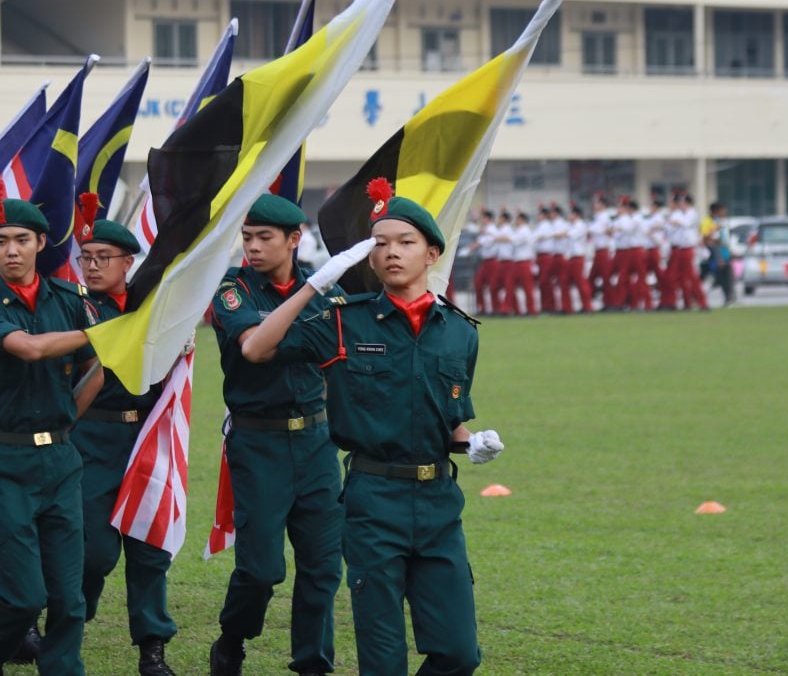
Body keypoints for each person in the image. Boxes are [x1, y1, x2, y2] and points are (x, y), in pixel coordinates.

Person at [242, 181, 504, 676]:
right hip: (372, 501)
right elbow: (256, 349)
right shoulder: (343, 321)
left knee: (458, 654)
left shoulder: (460, 333)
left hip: (439, 505)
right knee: (383, 661)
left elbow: (450, 418)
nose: (390, 253)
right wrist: (314, 286)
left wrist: (471, 443)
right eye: (379, 244)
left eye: (404, 242)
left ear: (431, 253)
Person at [0, 193, 103, 676]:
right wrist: (109, 332)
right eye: (0, 241)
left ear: (42, 242)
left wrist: (66, 420)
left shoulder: (70, 300)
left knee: (67, 595)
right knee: (24, 596)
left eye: (22, 240)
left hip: (60, 460)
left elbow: (96, 369)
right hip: (5, 462)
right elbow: (29, 348)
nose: (11, 250)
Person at [208, 194, 343, 676]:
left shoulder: (325, 291)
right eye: (247, 237)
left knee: (323, 567)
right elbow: (255, 347)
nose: (253, 247)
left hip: (315, 442)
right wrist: (307, 302)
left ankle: (313, 663)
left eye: (265, 237)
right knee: (261, 570)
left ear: (294, 239)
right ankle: (232, 638)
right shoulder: (233, 290)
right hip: (258, 443)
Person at [70, 219, 178, 676]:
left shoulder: (153, 307)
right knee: (93, 552)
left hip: (146, 435)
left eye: (103, 258)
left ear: (128, 263)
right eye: (86, 257)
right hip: (92, 436)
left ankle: (152, 648)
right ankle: (72, 616)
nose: (92, 267)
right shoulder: (73, 309)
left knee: (149, 546)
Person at [558, 204, 593, 314]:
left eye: (571, 214)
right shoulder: (570, 225)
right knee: (564, 282)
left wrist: (558, 234)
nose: (569, 216)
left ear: (576, 215)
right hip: (570, 258)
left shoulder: (581, 225)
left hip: (578, 257)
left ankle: (587, 307)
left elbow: (570, 235)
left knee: (580, 282)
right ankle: (566, 307)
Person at [701, 201, 735, 306]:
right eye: (722, 210)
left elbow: (723, 239)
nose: (724, 212)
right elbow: (705, 238)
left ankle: (729, 297)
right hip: (712, 254)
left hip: (722, 252)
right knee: (713, 276)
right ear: (716, 211)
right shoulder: (707, 221)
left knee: (726, 274)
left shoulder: (719, 221)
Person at [509, 211, 538, 316]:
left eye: (517, 219)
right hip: (517, 262)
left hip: (524, 262)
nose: (516, 221)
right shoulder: (519, 230)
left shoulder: (525, 230)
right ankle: (516, 309)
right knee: (511, 286)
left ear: (522, 220)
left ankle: (531, 310)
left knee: (527, 287)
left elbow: (514, 240)